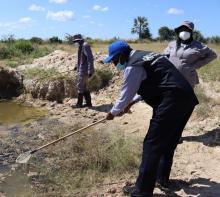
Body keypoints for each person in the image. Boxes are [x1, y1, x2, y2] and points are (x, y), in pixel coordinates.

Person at [103, 40, 199, 197]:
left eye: (114, 60)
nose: (114, 64)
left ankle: (142, 191)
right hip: (186, 98)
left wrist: (113, 112)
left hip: (171, 101)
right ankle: (162, 179)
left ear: (121, 56)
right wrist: (132, 102)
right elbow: (160, 81)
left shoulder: (133, 65)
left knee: (151, 144)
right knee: (169, 141)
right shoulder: (148, 56)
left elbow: (126, 91)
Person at [163, 21, 217, 88]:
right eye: (181, 30)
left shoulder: (198, 46)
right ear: (178, 31)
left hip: (188, 79)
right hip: (171, 78)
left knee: (186, 98)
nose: (183, 32)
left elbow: (213, 55)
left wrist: (196, 65)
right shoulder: (172, 44)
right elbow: (164, 56)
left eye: (186, 30)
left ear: (191, 32)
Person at [71, 34, 94, 108]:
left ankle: (79, 104)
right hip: (82, 69)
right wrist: (76, 66)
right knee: (84, 87)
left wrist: (90, 70)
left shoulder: (85, 45)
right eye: (74, 41)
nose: (75, 43)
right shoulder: (81, 47)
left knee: (80, 86)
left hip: (84, 71)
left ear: (79, 40)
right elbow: (81, 59)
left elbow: (90, 58)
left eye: (76, 41)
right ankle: (88, 103)